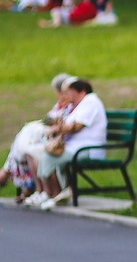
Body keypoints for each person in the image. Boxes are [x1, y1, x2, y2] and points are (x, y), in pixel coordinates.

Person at [32, 77, 108, 210]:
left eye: (68, 92)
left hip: (87, 149)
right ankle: (60, 192)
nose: (65, 95)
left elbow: (76, 126)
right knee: (43, 153)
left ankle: (54, 195)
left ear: (81, 91)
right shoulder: (78, 105)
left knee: (48, 157)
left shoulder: (91, 102)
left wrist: (58, 127)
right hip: (76, 147)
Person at [1, 73, 75, 203]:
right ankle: (35, 189)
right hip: (49, 140)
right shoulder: (60, 105)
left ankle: (7, 172)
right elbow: (48, 121)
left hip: (57, 142)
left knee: (27, 140)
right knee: (27, 141)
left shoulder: (71, 106)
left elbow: (61, 125)